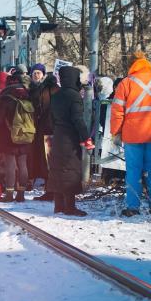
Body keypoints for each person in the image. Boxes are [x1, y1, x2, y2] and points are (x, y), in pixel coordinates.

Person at [110, 51, 151, 217]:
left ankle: (133, 206)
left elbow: (117, 111)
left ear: (132, 64)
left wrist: (115, 132)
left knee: (133, 170)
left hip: (132, 134)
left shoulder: (126, 83)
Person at [48, 66, 94, 217]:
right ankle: (70, 207)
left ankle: (58, 205)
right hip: (70, 137)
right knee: (70, 170)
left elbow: (51, 118)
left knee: (58, 170)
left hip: (58, 135)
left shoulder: (56, 95)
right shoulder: (74, 96)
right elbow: (78, 119)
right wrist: (86, 137)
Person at [0, 73, 33, 202]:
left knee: (10, 164)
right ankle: (21, 194)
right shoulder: (28, 98)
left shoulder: (6, 99)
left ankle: (9, 193)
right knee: (23, 164)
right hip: (26, 134)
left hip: (8, 136)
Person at [29, 68, 59, 201]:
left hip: (48, 129)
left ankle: (51, 191)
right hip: (47, 129)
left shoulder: (47, 90)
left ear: (44, 75)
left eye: (38, 73)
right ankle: (50, 190)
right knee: (47, 160)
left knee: (48, 160)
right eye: (34, 73)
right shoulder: (46, 89)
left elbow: (43, 108)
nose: (36, 75)